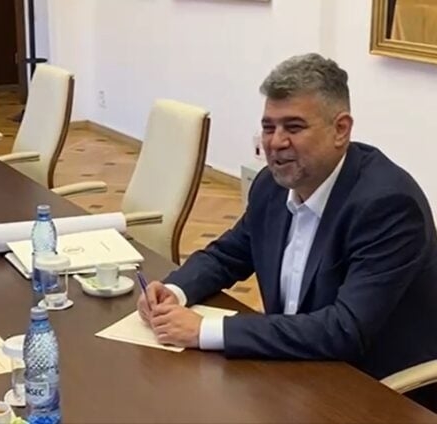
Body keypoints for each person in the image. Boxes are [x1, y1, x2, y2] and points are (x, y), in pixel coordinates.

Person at [137, 53, 437, 408]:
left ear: (341, 129)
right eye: (269, 127)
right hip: (294, 366)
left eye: (293, 128)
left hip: (373, 389)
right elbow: (228, 255)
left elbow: (345, 328)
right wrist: (175, 290)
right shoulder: (272, 185)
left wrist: (203, 330)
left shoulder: (387, 204)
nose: (276, 143)